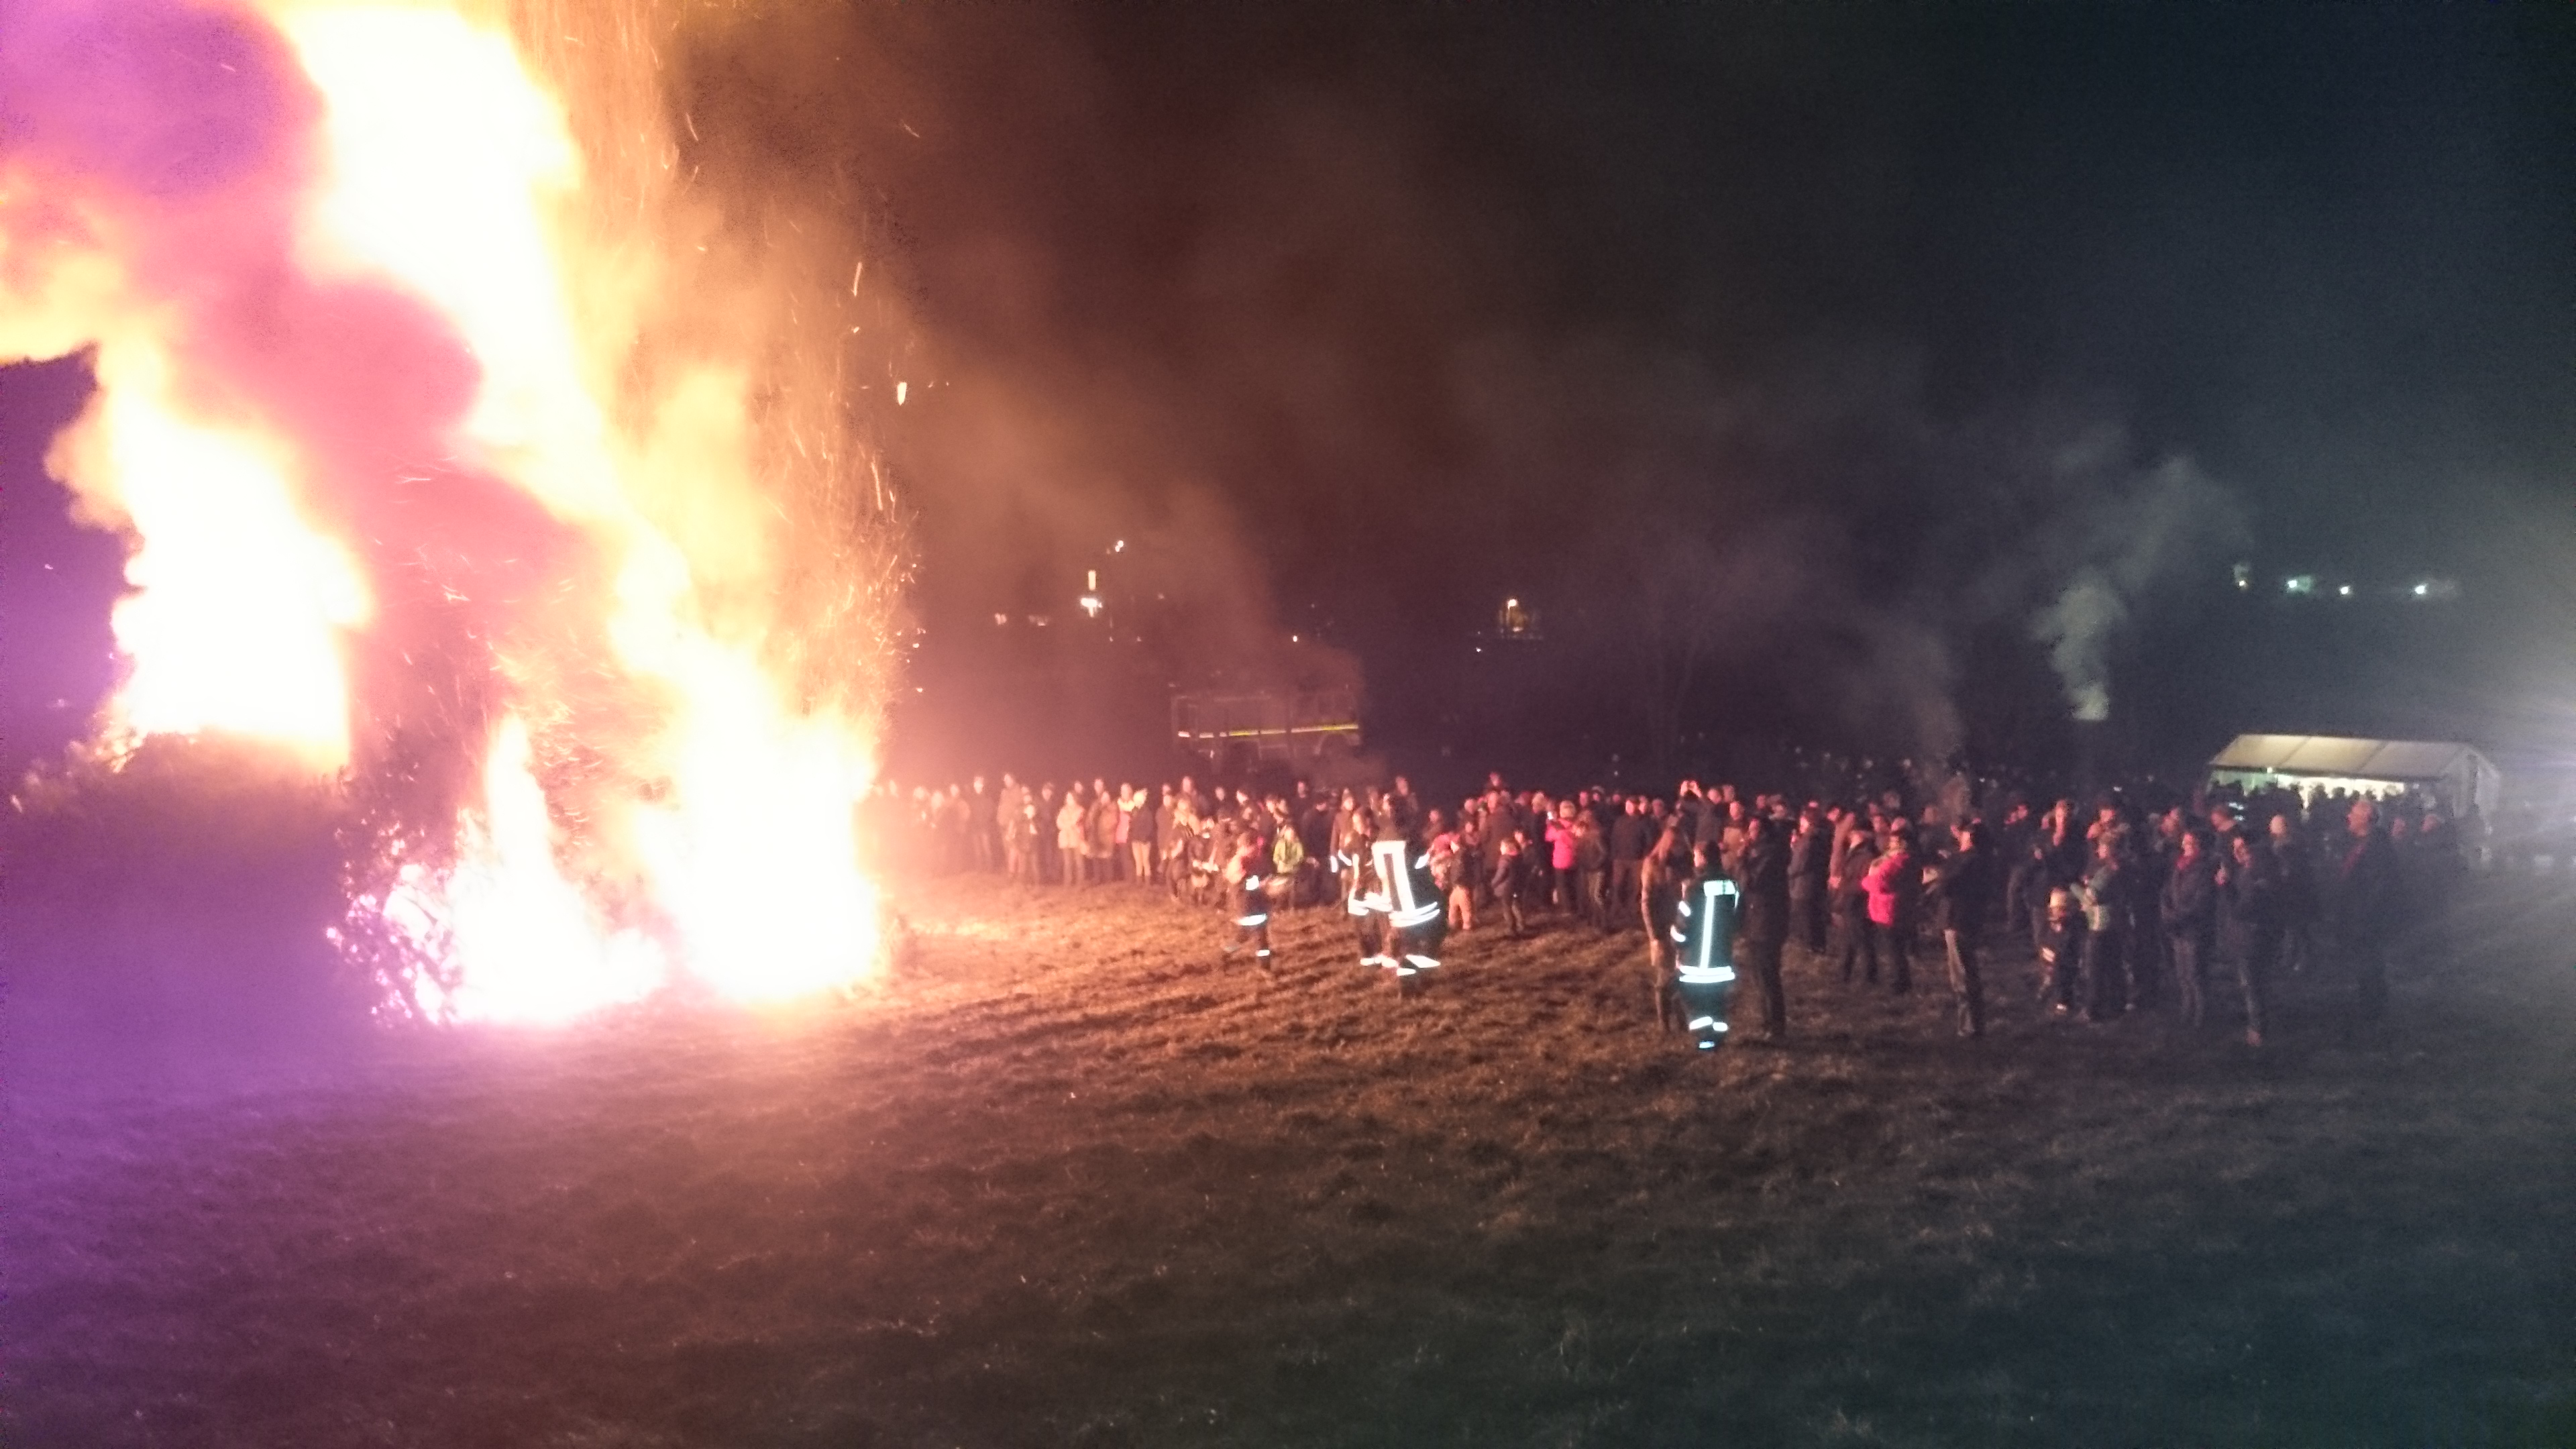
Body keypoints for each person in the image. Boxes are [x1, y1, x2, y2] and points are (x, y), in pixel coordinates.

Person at [1669, 847, 1741, 1052]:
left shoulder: (1695, 888)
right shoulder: (1731, 885)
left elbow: (1683, 925)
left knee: (1695, 1002)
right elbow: (1736, 917)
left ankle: (1705, 1039)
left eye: (1695, 856)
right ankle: (1719, 1036)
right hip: (1722, 959)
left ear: (1702, 859)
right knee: (1717, 999)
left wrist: (1676, 940)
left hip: (1696, 963)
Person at [1927, 819, 1992, 1037]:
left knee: (1962, 975)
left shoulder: (1968, 861)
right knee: (1966, 971)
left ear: (1970, 837)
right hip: (1967, 919)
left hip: (1959, 920)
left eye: (1964, 834)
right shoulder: (1978, 859)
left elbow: (1947, 885)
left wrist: (1944, 868)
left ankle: (1970, 1027)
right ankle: (1972, 1024)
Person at [2337, 797, 2399, 1021]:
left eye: (2353, 814)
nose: (2349, 817)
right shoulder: (2362, 844)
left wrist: (2364, 915)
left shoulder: (2377, 848)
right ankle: (2369, 1005)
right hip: (2359, 916)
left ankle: (2373, 1011)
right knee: (2365, 962)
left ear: (2366, 819)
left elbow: (2379, 887)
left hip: (2368, 919)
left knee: (2370, 962)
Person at [2218, 831, 2280, 1047]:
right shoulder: (2247, 872)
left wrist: (2225, 887)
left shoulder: (2258, 876)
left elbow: (2241, 909)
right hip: (2250, 936)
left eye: (2243, 848)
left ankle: (2258, 1030)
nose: (2238, 853)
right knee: (2255, 983)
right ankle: (2260, 1023)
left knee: (2252, 984)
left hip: (2253, 938)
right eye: (2235, 849)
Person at [1733, 815, 1791, 1041]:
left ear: (1763, 832)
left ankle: (1776, 1026)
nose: (1749, 834)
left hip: (1767, 922)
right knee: (1759, 975)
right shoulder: (1759, 853)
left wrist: (1741, 859)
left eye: (1753, 829)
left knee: (1768, 975)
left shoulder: (1771, 854)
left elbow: (1750, 883)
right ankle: (1767, 1021)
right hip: (1755, 921)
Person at [2159, 827, 2220, 1029]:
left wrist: (2178, 917)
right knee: (2183, 973)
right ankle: (2187, 1010)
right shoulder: (2180, 866)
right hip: (2178, 929)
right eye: (2184, 843)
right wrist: (2167, 911)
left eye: (2190, 843)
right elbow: (2167, 891)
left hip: (2195, 929)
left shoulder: (2204, 869)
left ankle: (2202, 1017)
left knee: (2196, 974)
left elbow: (2201, 902)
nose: (2185, 847)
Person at [1862, 824, 1919, 994]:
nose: (1890, 844)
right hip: (1898, 908)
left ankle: (1898, 984)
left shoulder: (1898, 862)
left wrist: (1866, 880)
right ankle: (1903, 981)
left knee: (1894, 949)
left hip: (1889, 911)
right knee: (1897, 949)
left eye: (1894, 841)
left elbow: (1878, 883)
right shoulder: (1909, 860)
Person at [1223, 833, 1274, 969]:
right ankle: (1265, 969)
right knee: (1261, 939)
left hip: (1254, 905)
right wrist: (1263, 884)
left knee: (1242, 937)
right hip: (1247, 907)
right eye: (1255, 847)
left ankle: (1224, 954)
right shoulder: (1238, 863)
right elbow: (1244, 884)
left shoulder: (1250, 859)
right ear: (1246, 846)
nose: (1258, 850)